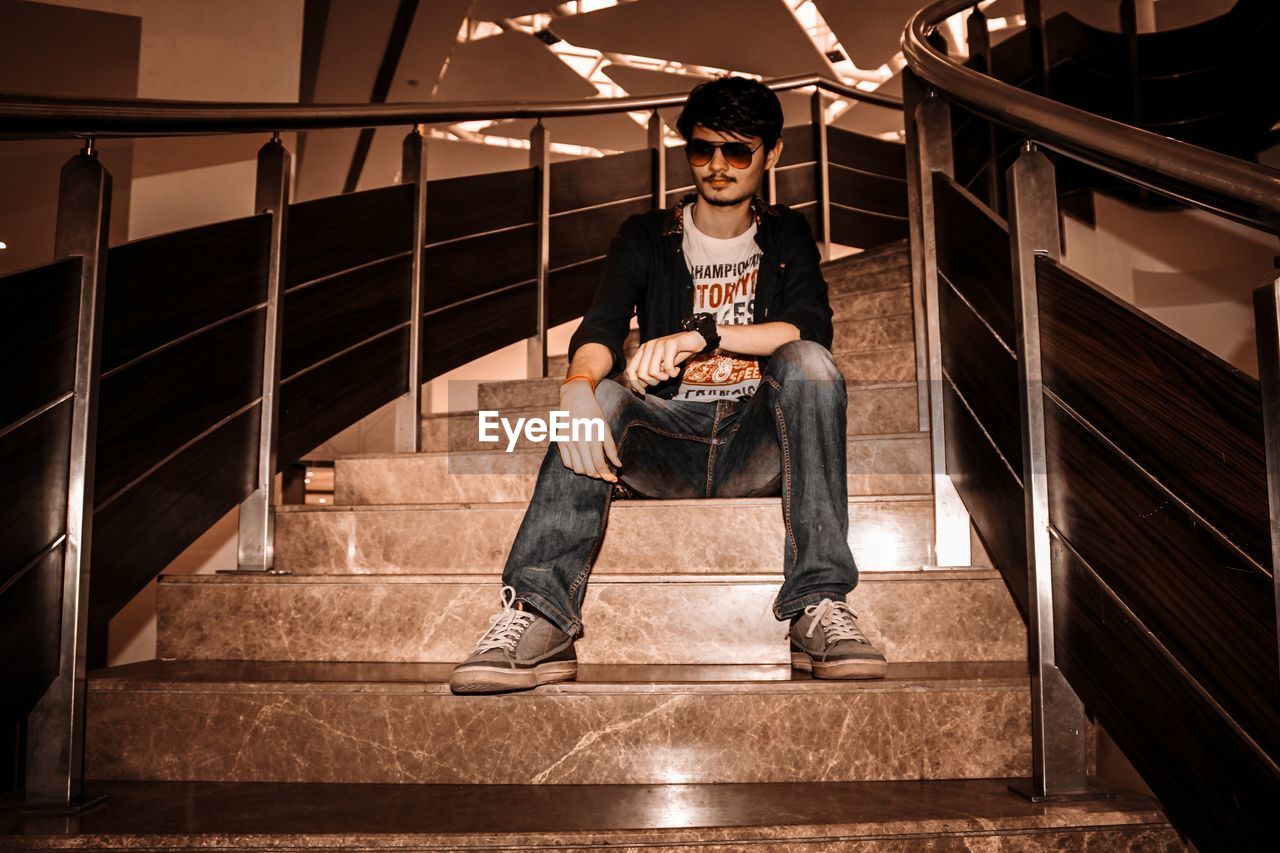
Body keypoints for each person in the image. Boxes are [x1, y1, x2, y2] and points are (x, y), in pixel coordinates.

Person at [449, 76, 887, 694]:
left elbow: (805, 328)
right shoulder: (646, 237)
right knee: (598, 398)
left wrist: (701, 336)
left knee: (809, 364)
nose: (717, 166)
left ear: (773, 153)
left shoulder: (787, 233)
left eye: (738, 152)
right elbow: (600, 327)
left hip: (754, 444)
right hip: (667, 442)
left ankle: (818, 603)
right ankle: (540, 613)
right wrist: (576, 385)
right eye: (703, 149)